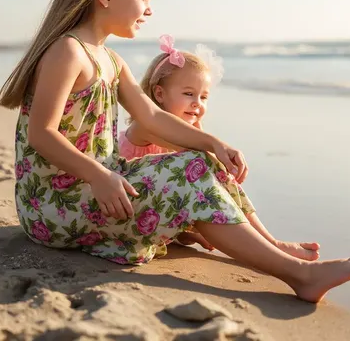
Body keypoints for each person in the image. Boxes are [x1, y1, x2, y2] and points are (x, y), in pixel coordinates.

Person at [0, 0, 350, 303]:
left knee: (201, 159)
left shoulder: (111, 60)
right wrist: (98, 174)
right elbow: (41, 134)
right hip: (54, 204)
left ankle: (271, 247)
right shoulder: (68, 52)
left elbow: (152, 116)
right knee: (188, 177)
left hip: (100, 186)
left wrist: (214, 143)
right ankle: (301, 276)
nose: (149, 9)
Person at [119, 35, 321, 260]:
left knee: (207, 176)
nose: (197, 103)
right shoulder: (145, 126)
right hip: (123, 209)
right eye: (188, 94)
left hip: (150, 201)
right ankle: (270, 244)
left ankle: (261, 241)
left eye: (203, 96)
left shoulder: (188, 129)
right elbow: (201, 159)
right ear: (159, 93)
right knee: (204, 165)